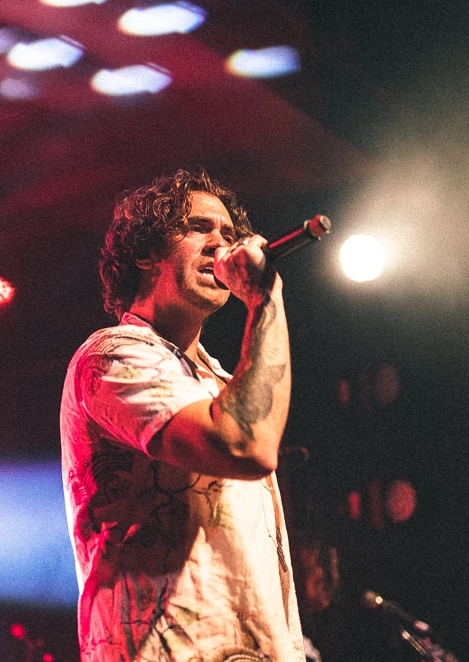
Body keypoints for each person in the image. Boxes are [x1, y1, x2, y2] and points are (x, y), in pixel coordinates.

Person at [60, 167, 306, 661]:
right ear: (145, 253)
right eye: (199, 228)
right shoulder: (113, 354)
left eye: (230, 234)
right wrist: (264, 297)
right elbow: (244, 444)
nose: (222, 244)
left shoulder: (218, 381)